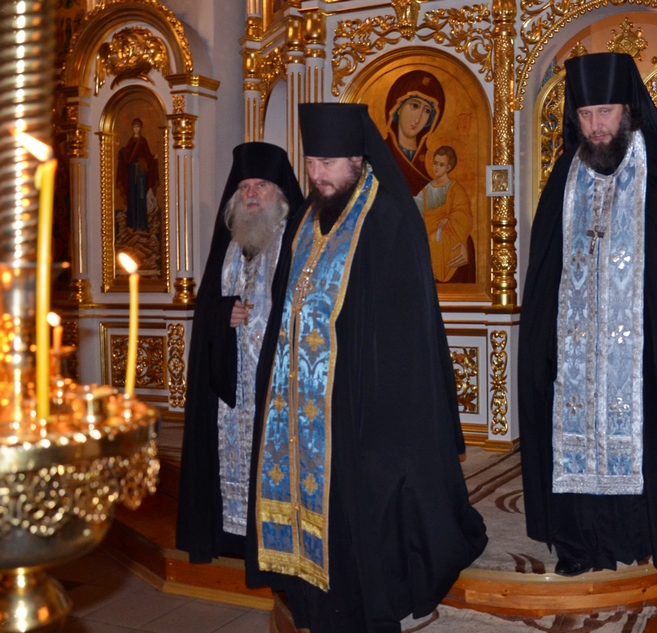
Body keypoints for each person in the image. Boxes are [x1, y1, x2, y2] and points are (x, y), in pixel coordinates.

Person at [245, 103, 487, 633]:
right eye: (312, 163)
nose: (317, 175)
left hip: (363, 398)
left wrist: (367, 397)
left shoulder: (388, 216)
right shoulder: (306, 217)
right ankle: (306, 584)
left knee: (359, 504)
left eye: (329, 164)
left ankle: (360, 591)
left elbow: (402, 330)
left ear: (357, 160)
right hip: (302, 397)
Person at [518, 52, 657, 579]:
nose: (596, 126)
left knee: (651, 435)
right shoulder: (566, 178)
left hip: (644, 350)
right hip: (578, 353)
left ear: (628, 110)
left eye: (606, 112)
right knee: (574, 435)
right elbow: (546, 269)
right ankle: (581, 542)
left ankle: (648, 534)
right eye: (585, 114)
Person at [176, 142, 304, 563]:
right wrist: (221, 313)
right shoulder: (227, 246)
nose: (251, 194)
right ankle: (230, 536)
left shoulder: (298, 243)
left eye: (261, 185)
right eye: (245, 187)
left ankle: (276, 540)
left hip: (277, 379)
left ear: (279, 194)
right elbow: (206, 310)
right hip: (229, 386)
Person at [414, 146, 474, 283]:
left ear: (448, 167)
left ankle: (434, 276)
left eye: (441, 165)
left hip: (449, 231)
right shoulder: (427, 188)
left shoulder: (455, 188)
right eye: (435, 163)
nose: (436, 168)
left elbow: (463, 212)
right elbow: (418, 208)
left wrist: (449, 218)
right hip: (428, 228)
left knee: (435, 240)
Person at [384, 70, 445, 193]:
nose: (418, 119)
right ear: (398, 108)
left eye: (427, 111)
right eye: (414, 106)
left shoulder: (434, 159)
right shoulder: (380, 153)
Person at [116, 117, 159, 232]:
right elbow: (126, 155)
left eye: (138, 127)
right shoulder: (131, 141)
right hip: (131, 171)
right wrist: (119, 148)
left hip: (140, 173)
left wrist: (153, 158)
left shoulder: (143, 141)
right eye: (134, 127)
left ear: (140, 128)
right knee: (132, 196)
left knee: (140, 196)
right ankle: (131, 224)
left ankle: (141, 224)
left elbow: (147, 156)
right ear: (132, 128)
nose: (136, 129)